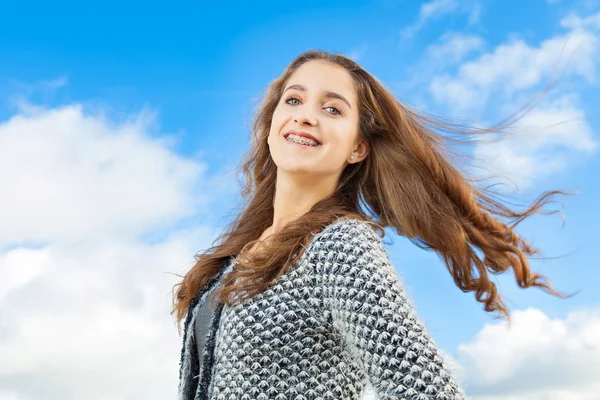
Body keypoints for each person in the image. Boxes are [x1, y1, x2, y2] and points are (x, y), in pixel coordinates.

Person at [171, 50, 571, 400]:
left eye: (332, 109)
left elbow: (427, 390)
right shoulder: (235, 258)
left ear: (358, 147)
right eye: (293, 100)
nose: (306, 116)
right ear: (273, 124)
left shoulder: (338, 245)